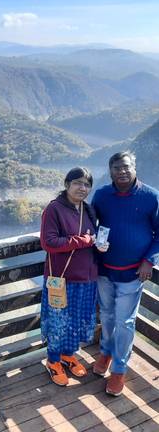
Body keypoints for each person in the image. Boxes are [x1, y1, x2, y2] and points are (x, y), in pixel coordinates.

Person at [92, 151, 159, 396]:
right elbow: (90, 225)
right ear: (110, 171)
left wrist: (149, 261)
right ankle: (106, 353)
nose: (121, 171)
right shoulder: (101, 196)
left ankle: (119, 369)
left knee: (125, 321)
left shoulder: (151, 197)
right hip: (104, 270)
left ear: (134, 168)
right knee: (108, 316)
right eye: (116, 168)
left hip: (133, 272)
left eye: (126, 167)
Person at [40, 167, 106, 386]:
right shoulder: (54, 209)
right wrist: (82, 241)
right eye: (78, 182)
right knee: (59, 321)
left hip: (87, 277)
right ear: (67, 184)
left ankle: (68, 356)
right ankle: (53, 361)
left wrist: (99, 245)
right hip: (62, 279)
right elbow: (48, 242)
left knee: (77, 320)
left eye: (87, 184)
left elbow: (92, 238)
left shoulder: (88, 210)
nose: (82, 188)